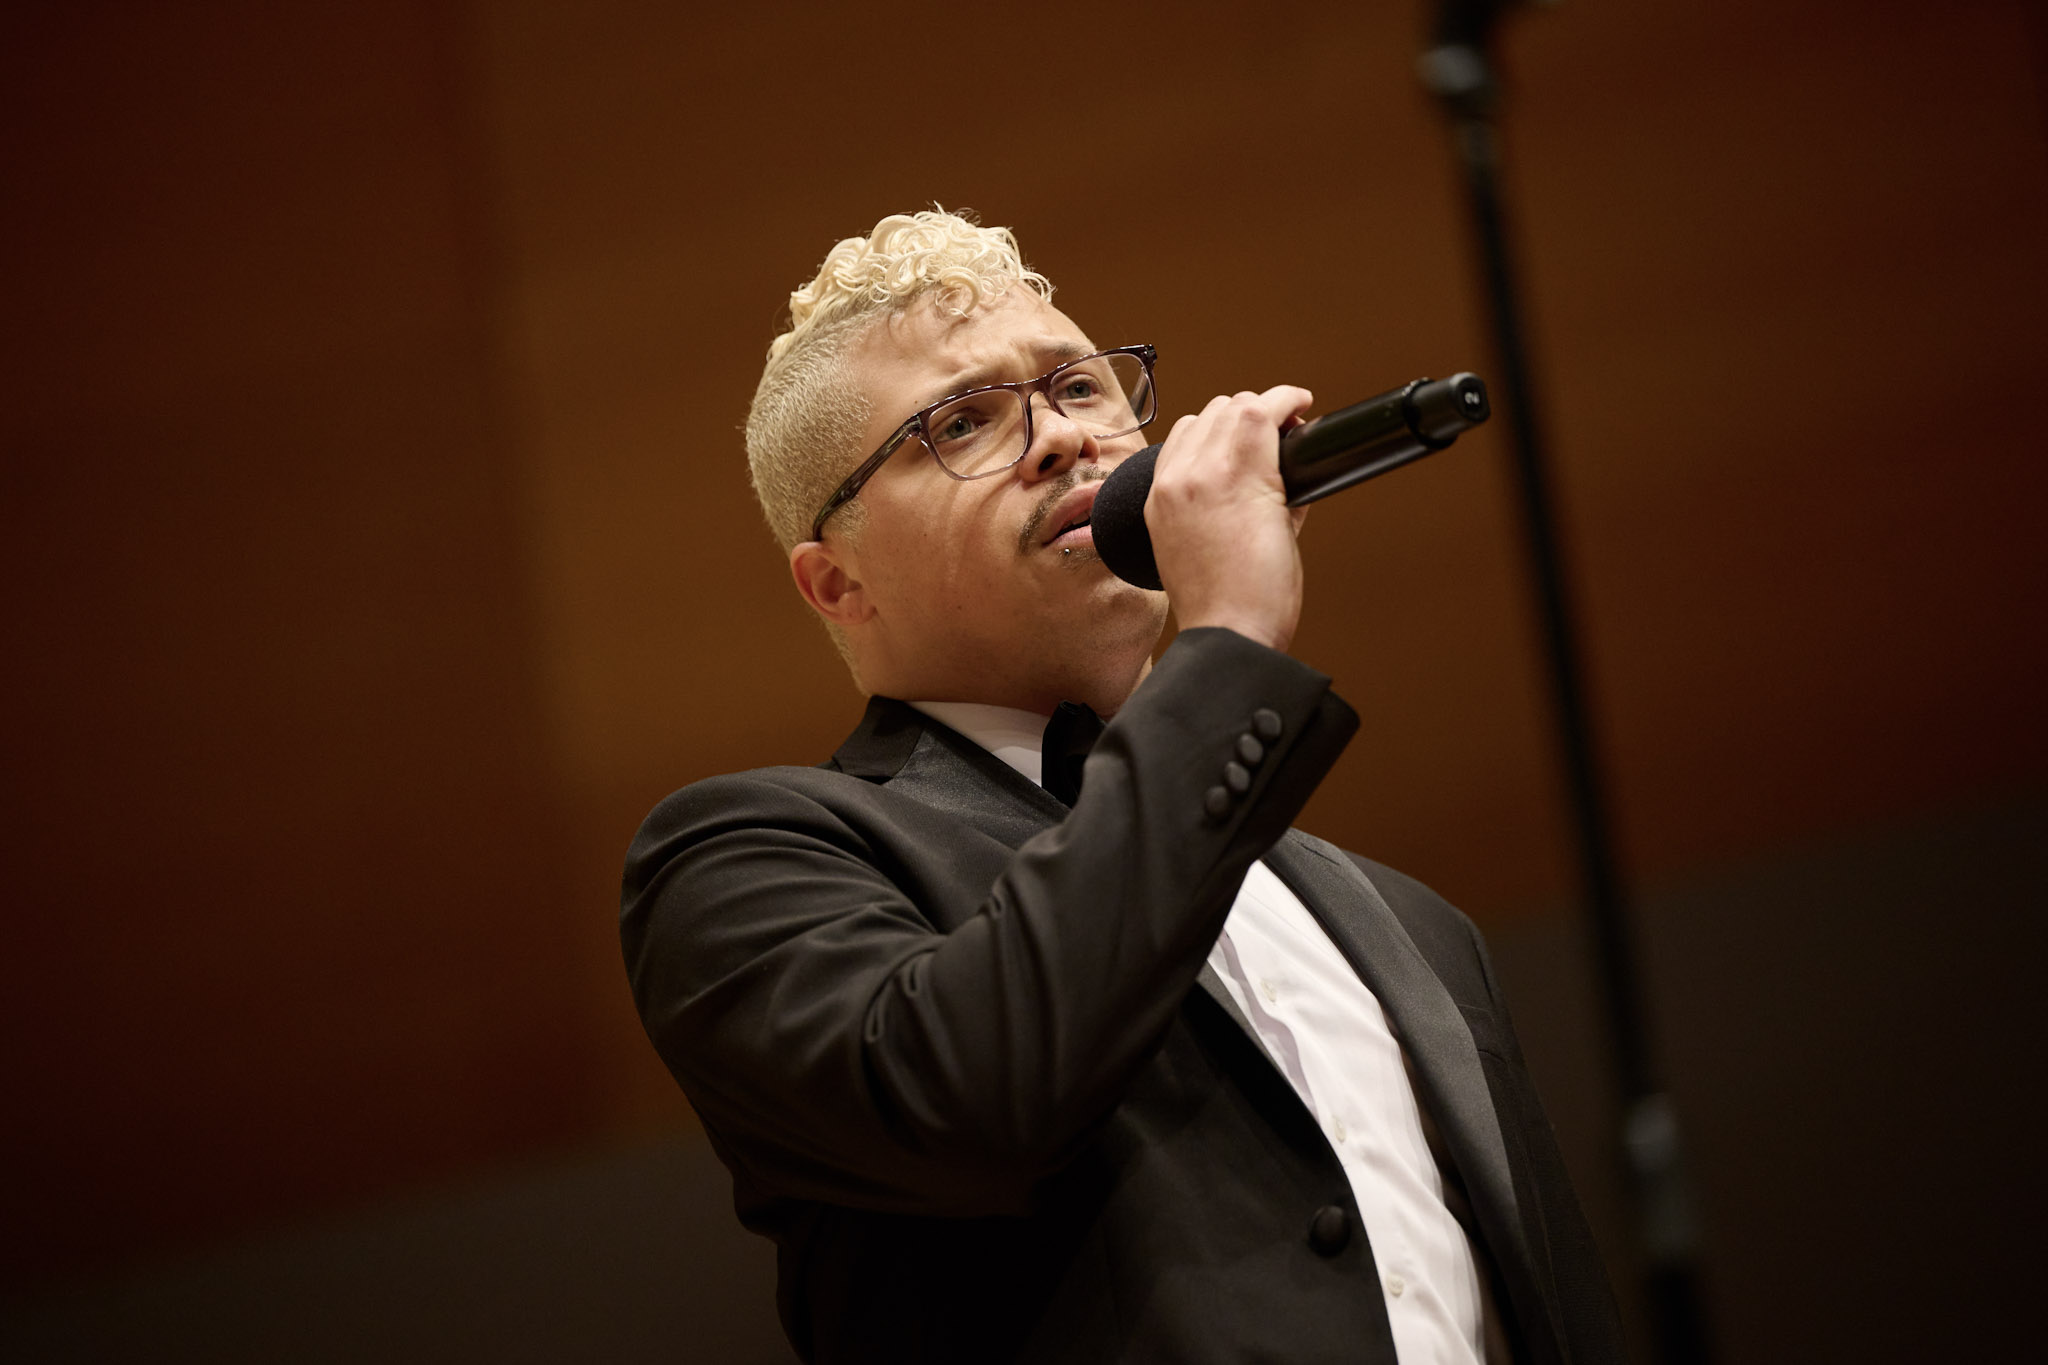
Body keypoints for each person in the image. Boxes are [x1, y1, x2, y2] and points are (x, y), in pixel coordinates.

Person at [621, 210, 1626, 1364]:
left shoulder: (1409, 922)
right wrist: (1233, 638)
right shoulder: (738, 861)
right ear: (836, 584)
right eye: (961, 421)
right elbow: (971, 1103)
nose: (1059, 440)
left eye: (1080, 388)